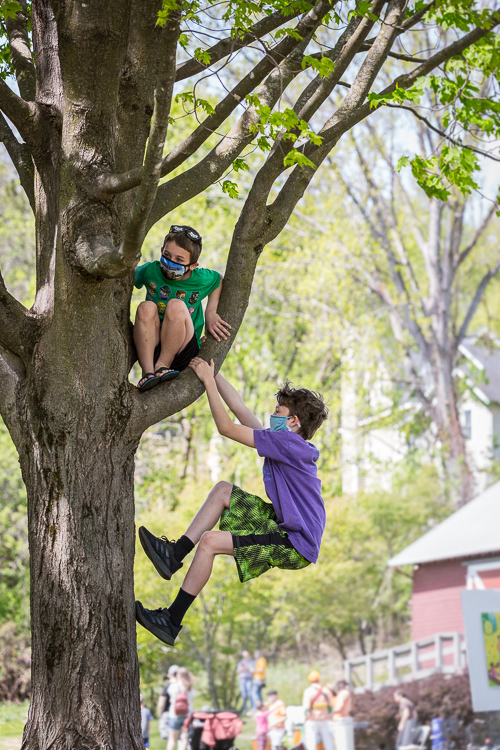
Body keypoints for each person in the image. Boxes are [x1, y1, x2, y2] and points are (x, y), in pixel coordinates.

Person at [135, 369, 328, 646]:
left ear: (292, 421)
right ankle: (174, 554)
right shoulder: (285, 442)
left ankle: (171, 621)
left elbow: (226, 427)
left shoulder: (286, 442)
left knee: (210, 542)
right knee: (223, 489)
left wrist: (207, 383)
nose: (272, 414)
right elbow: (238, 408)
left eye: (278, 411)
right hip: (283, 525)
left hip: (295, 542)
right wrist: (213, 370)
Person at [133, 224, 230, 391]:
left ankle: (163, 365)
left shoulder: (201, 278)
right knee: (145, 307)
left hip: (182, 348)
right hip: (152, 345)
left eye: (179, 260)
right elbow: (127, 278)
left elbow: (218, 280)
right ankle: (148, 372)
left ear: (193, 265)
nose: (171, 262)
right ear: (162, 250)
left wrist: (211, 312)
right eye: (167, 255)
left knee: (176, 305)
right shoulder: (150, 270)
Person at [302, 671, 334, 750]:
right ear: (319, 679)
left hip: (313, 719)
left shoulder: (308, 691)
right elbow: (331, 706)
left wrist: (306, 718)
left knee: (311, 742)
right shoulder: (326, 690)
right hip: (325, 719)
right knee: (328, 742)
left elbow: (306, 707)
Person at [167, 667, 194, 750]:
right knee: (184, 739)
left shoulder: (174, 685)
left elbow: (170, 695)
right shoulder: (189, 687)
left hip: (174, 715)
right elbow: (192, 699)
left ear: (178, 675)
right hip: (187, 715)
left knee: (172, 739)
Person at [158, 665, 180, 740]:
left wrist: (159, 714)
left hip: (168, 714)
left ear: (170, 674)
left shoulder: (168, 687)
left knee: (170, 739)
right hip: (181, 714)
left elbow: (161, 703)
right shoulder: (182, 686)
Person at [332, 680, 354, 750]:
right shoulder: (346, 692)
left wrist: (328, 712)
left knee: (341, 745)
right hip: (344, 719)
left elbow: (339, 707)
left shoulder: (343, 693)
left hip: (340, 720)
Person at [237, 650, 255, 716]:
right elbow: (237, 671)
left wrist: (247, 669)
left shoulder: (252, 662)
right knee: (244, 695)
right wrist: (241, 669)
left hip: (249, 679)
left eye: (247, 655)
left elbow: (253, 672)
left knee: (250, 694)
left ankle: (252, 709)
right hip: (242, 679)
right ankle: (245, 710)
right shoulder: (241, 662)